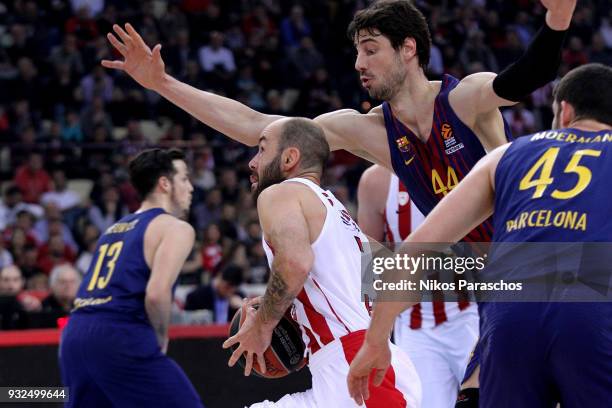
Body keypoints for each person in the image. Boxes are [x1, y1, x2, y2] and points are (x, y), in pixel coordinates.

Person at [101, 1, 574, 235]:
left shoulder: (466, 96)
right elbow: (253, 127)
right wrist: (163, 84)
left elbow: (526, 76)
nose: (358, 64)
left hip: (534, 250)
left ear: (408, 49)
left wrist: (558, 17)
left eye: (370, 50)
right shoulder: (364, 129)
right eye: (355, 52)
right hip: (474, 274)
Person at [347, 63, 612, 408]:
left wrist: (376, 338)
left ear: (565, 112)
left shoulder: (506, 155)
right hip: (589, 306)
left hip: (508, 317)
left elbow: (415, 249)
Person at [223, 118, 421, 407]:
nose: (252, 162)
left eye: (262, 150)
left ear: (290, 158)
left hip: (353, 367)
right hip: (367, 363)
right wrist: (305, 317)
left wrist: (263, 325)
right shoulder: (338, 214)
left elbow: (295, 262)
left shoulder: (279, 193)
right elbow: (407, 281)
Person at [59, 148, 204, 408]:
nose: (191, 187)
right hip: (120, 334)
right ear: (165, 183)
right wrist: (160, 338)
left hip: (75, 334)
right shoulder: (176, 228)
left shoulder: (112, 229)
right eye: (184, 179)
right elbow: (157, 293)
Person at [358, 164, 479, 408]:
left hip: (472, 313)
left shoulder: (460, 160)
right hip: (415, 326)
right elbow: (370, 266)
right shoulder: (376, 181)